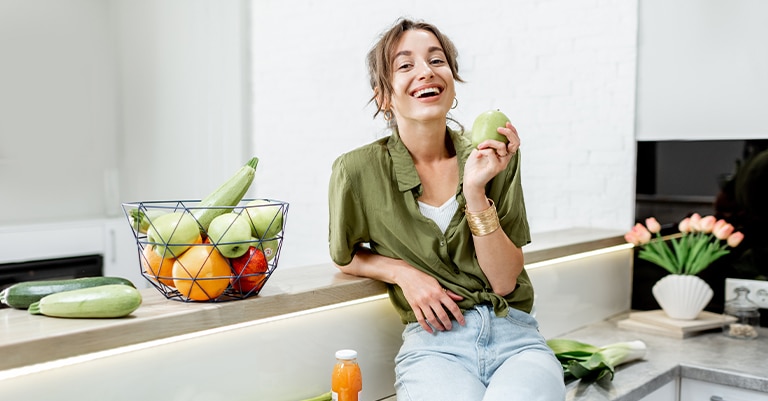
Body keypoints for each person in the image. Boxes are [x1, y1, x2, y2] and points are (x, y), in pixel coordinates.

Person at [328, 18, 566, 401]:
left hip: (516, 340)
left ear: (451, 83)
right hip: (435, 346)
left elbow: (504, 281)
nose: (426, 72)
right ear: (383, 97)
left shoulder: (492, 156)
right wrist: (404, 273)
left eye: (436, 60)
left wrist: (474, 189)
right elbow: (344, 256)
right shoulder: (356, 171)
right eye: (405, 65)